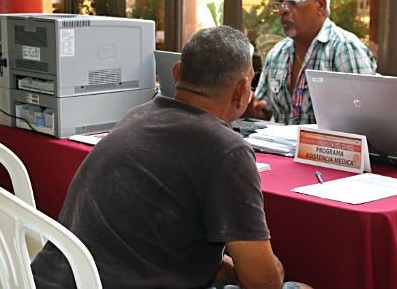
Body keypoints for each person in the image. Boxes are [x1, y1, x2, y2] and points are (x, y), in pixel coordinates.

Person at [31, 26, 311, 289]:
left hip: (51, 279)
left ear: (177, 74)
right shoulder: (227, 150)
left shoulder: (136, 115)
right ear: (241, 91)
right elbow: (263, 282)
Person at [245, 0, 377, 124]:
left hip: (328, 148)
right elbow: (264, 113)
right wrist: (249, 110)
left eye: (294, 1)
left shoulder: (345, 49)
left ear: (320, 5)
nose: (283, 10)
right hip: (281, 147)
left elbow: (365, 121)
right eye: (280, 2)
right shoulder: (277, 54)